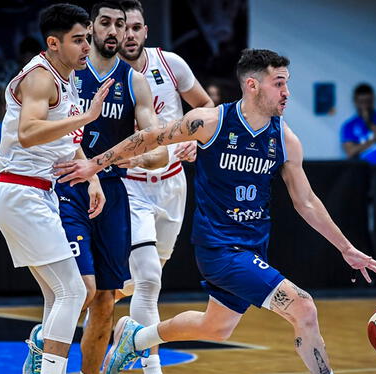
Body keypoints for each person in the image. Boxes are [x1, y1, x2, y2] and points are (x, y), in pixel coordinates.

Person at [55, 48, 376, 374]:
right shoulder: (210, 122)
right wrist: (94, 165)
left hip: (254, 245)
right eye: (279, 83)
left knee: (216, 327)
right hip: (219, 248)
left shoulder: (285, 139)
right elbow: (150, 138)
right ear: (252, 85)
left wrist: (346, 248)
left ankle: (137, 338)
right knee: (303, 306)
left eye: (287, 83)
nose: (286, 92)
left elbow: (307, 201)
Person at [0, 4, 112, 374]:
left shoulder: (67, 77)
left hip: (39, 192)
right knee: (74, 292)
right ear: (53, 43)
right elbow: (28, 133)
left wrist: (91, 176)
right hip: (21, 190)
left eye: (88, 38)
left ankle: (40, 364)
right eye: (78, 40)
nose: (87, 47)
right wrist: (88, 116)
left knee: (56, 294)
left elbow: (66, 136)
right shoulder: (40, 78)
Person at [54, 2, 164, 373]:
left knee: (105, 299)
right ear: (91, 29)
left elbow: (158, 153)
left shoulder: (134, 81)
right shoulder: (66, 74)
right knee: (74, 290)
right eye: (106, 23)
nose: (115, 31)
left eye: (121, 23)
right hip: (68, 186)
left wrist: (138, 158)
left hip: (114, 195)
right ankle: (44, 354)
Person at [116, 1, 214, 372]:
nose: (129, 35)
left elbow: (204, 105)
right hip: (131, 185)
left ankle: (100, 304)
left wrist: (196, 138)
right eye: (123, 28)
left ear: (146, 31)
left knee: (142, 277)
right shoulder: (106, 76)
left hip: (173, 183)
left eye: (136, 27)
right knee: (149, 281)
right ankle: (150, 367)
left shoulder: (171, 64)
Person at [340, 84, 376, 164]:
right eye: (361, 102)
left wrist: (369, 122)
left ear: (373, 100)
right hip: (362, 171)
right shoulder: (349, 125)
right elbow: (350, 152)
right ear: (355, 102)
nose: (365, 105)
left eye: (368, 101)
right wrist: (374, 140)